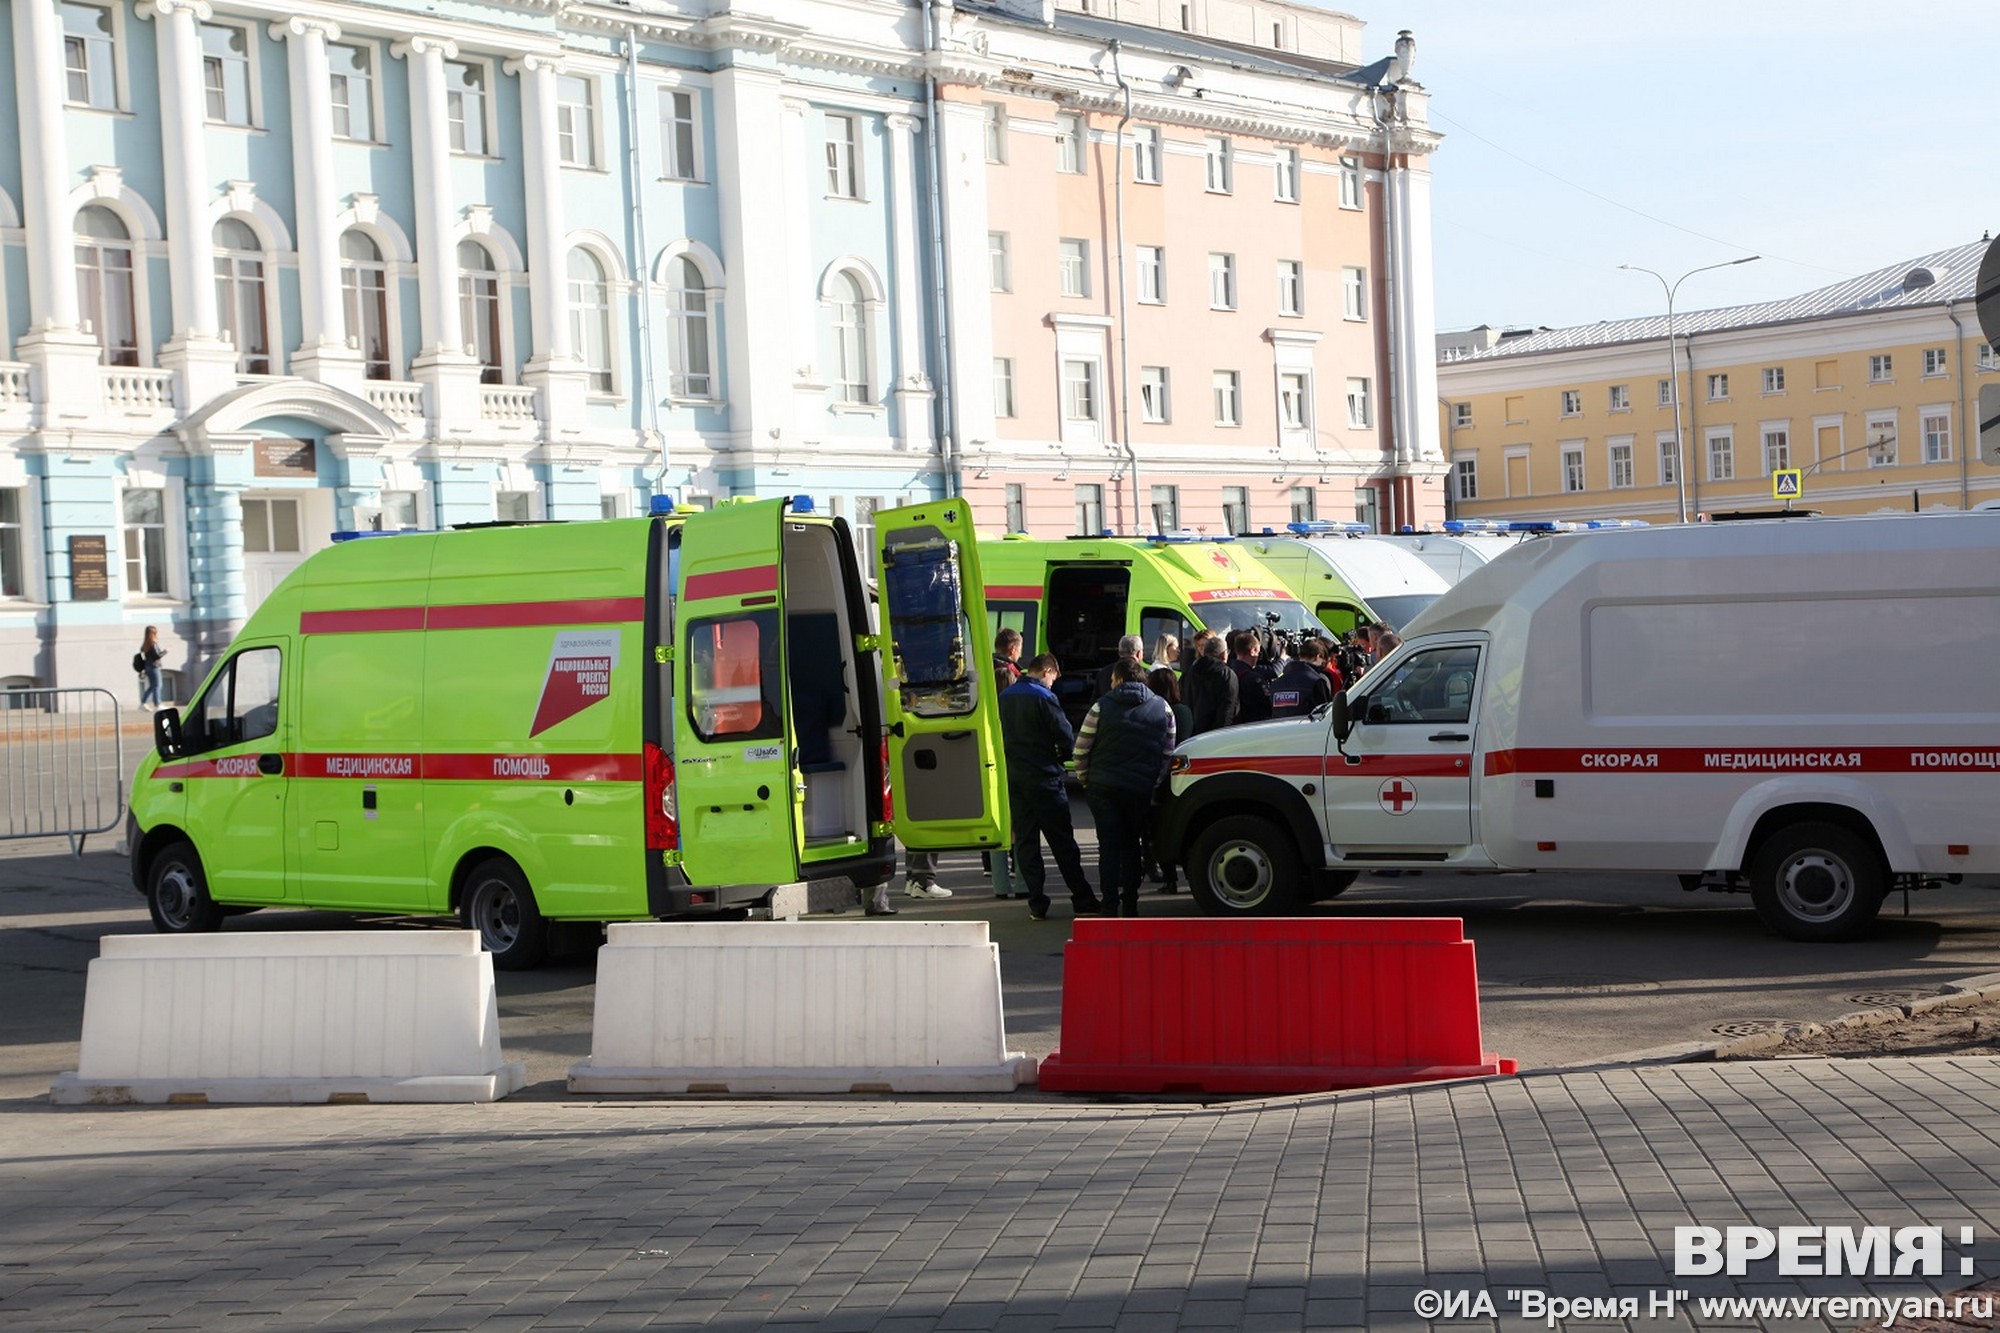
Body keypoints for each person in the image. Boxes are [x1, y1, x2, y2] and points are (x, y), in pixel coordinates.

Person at [998, 653, 1100, 922]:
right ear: (1046, 671)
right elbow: (1064, 734)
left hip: (1016, 777)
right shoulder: (1044, 697)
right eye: (1054, 677)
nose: (1054, 683)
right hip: (1044, 777)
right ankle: (1082, 899)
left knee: (1027, 842)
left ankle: (1037, 903)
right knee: (1062, 842)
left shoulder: (1005, 697)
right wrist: (1061, 756)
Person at [1074, 658, 1176, 917]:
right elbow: (1168, 751)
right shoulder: (1163, 708)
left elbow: (1081, 749)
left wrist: (1085, 778)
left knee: (1108, 847)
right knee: (1132, 845)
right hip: (1139, 788)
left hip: (1103, 787)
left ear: (1118, 679)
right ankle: (1130, 903)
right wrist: (1153, 780)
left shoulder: (1101, 707)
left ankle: (1109, 905)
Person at [1144, 667, 1192, 892]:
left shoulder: (1153, 710)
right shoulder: (1184, 711)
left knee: (1157, 829)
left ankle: (1168, 878)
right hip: (1182, 774)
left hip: (1158, 774)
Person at [1181, 634, 1238, 735]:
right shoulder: (1227, 675)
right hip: (1216, 737)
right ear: (1224, 654)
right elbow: (1228, 710)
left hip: (1192, 735)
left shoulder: (1189, 672)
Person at [1267, 638, 1334, 719]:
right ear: (1318, 656)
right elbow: (1325, 716)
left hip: (1279, 730)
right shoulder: (1317, 681)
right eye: (1323, 661)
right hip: (1308, 730)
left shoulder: (1276, 684)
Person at [1227, 630, 1273, 724]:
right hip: (1253, 725)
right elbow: (1268, 703)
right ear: (1253, 651)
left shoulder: (1228, 672)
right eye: (1258, 653)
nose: (1258, 657)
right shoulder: (1254, 679)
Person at [1093, 634, 1146, 700]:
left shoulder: (1103, 673)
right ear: (1139, 654)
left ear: (1119, 652)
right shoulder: (1145, 674)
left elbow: (1095, 704)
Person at [134, 626, 166, 711]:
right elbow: (157, 656)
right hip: (154, 666)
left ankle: (143, 703)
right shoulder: (153, 643)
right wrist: (166, 651)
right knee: (158, 685)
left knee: (152, 686)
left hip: (147, 667)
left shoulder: (145, 644)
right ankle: (158, 704)